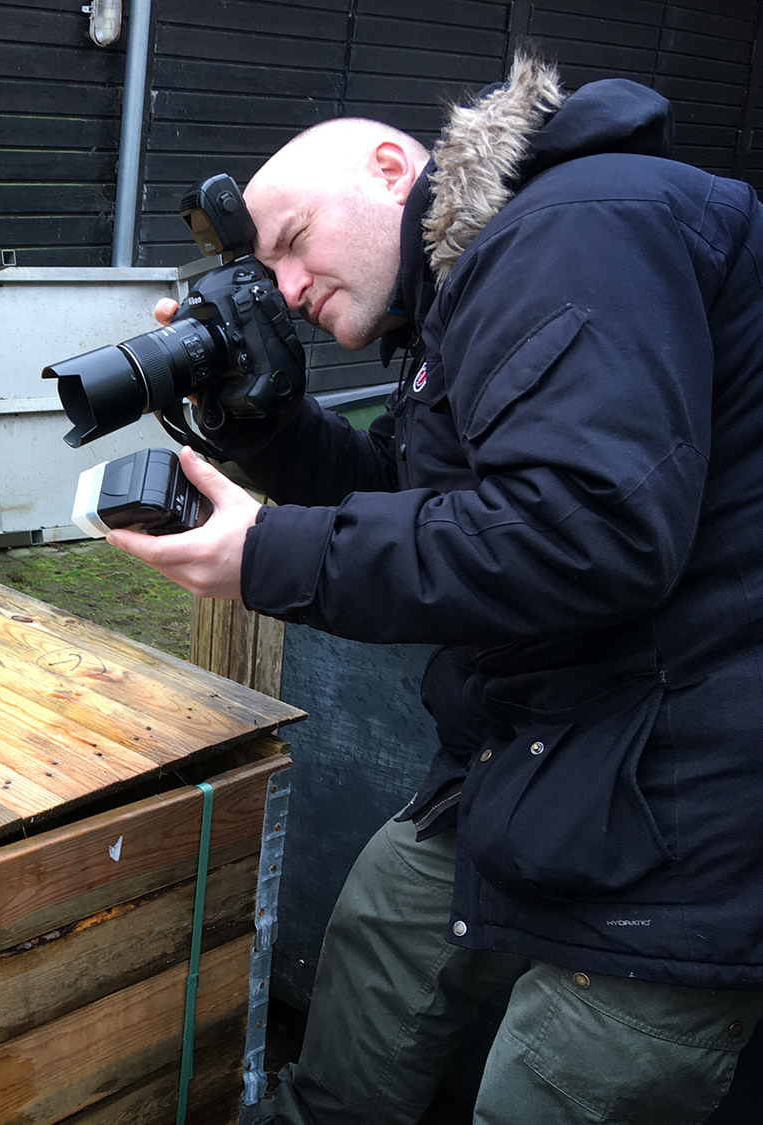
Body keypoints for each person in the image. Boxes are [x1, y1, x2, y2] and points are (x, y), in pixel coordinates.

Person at [109, 53, 763, 1124]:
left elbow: (578, 532)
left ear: (389, 167)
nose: (284, 288)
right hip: (546, 743)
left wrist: (268, 557)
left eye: (291, 243)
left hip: (693, 799)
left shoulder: (577, 229)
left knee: (544, 1092)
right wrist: (263, 429)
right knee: (378, 938)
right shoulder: (459, 305)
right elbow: (413, 497)